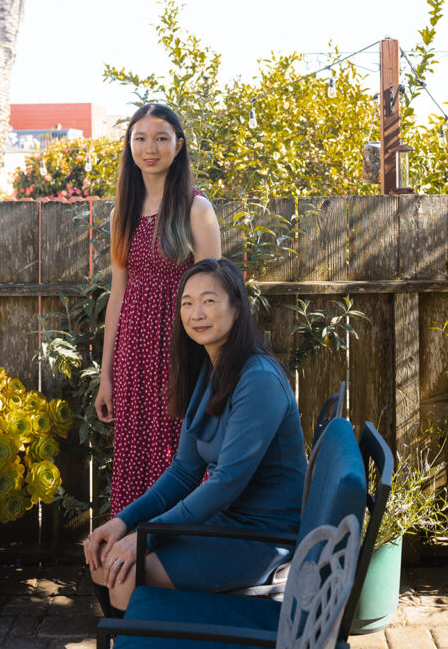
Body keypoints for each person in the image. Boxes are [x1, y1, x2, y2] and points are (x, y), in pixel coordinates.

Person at [85, 257, 307, 612]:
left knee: (123, 576)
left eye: (209, 300)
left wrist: (144, 537)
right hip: (227, 523)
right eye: (186, 303)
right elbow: (184, 469)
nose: (196, 313)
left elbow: (225, 484)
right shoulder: (209, 369)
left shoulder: (258, 379)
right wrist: (124, 521)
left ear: (237, 308)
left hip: (264, 538)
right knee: (103, 560)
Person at [95, 103, 221, 517]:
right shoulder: (123, 213)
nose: (150, 148)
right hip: (134, 356)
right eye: (140, 138)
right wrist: (106, 376)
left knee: (181, 458)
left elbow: (216, 296)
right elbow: (118, 297)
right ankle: (128, 558)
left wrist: (215, 370)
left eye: (161, 138)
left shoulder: (195, 208)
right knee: (136, 453)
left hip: (181, 353)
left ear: (178, 145)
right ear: (130, 145)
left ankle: (177, 557)